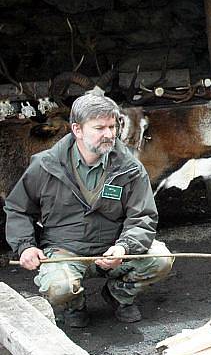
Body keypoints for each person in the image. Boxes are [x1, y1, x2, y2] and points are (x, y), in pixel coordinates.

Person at [4, 90, 174, 327]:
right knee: (58, 287)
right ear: (77, 130)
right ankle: (73, 304)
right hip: (66, 250)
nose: (109, 134)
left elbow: (142, 216)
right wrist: (26, 246)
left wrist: (124, 247)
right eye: (99, 128)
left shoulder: (130, 168)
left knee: (161, 259)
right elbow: (18, 208)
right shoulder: (46, 165)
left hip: (113, 250)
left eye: (112, 127)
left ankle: (118, 294)